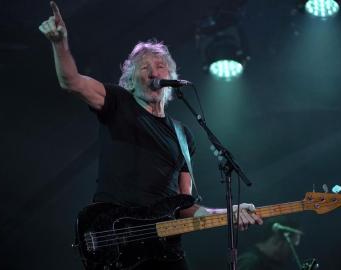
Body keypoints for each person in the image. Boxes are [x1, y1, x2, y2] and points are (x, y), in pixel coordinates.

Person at [39, 2, 263, 269]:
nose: (154, 72)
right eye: (144, 67)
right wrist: (59, 43)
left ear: (171, 78)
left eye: (160, 66)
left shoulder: (183, 135)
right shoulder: (118, 101)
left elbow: (186, 208)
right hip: (115, 236)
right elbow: (71, 82)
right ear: (130, 79)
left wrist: (230, 213)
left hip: (164, 248)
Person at [238, 218, 302, 270]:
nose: (291, 252)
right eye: (291, 245)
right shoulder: (249, 262)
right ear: (278, 240)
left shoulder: (274, 264)